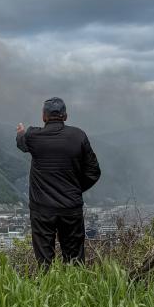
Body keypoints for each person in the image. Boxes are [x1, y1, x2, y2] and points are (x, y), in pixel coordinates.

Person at [16, 97, 101, 267]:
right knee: (75, 258)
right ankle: (76, 291)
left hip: (42, 209)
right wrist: (75, 189)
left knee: (44, 260)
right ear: (65, 116)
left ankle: (46, 290)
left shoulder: (33, 135)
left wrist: (20, 133)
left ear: (43, 117)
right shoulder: (78, 136)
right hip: (71, 207)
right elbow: (94, 171)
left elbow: (21, 144)